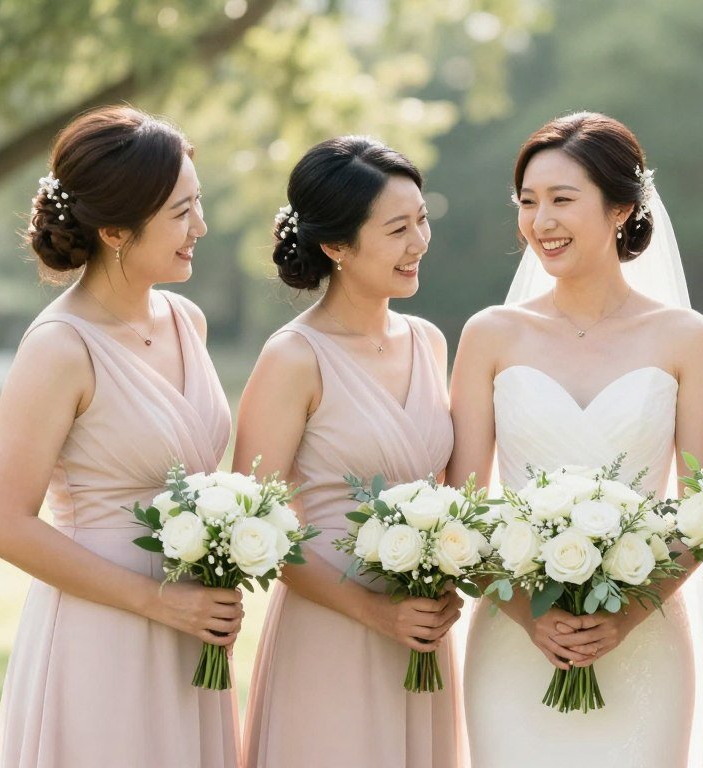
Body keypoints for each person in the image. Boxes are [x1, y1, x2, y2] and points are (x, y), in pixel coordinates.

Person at [447, 111, 703, 767]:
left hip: (645, 640)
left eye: (562, 200)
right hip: (513, 639)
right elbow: (460, 509)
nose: (541, 221)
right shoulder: (489, 335)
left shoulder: (687, 338)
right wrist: (531, 616)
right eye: (528, 202)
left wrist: (621, 619)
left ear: (621, 208)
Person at [0, 106, 238, 768]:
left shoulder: (187, 321)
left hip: (193, 627)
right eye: (181, 212)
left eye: (198, 204)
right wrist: (158, 602)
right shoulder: (60, 347)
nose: (200, 227)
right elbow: (0, 521)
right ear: (116, 229)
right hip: (101, 630)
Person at [235, 136, 463, 768]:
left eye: (422, 220)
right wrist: (373, 612)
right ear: (336, 245)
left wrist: (447, 575)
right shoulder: (294, 357)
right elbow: (254, 524)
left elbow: (451, 495)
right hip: (330, 631)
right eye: (397, 229)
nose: (419, 242)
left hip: (421, 634)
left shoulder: (429, 342)